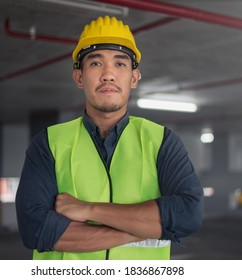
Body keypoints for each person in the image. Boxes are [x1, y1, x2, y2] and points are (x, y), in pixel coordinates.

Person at [15, 15, 204, 260]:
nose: (108, 75)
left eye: (120, 64)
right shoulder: (49, 143)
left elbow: (188, 215)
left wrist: (88, 209)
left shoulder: (161, 141)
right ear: (79, 77)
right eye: (95, 63)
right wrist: (146, 228)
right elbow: (36, 230)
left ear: (133, 78)